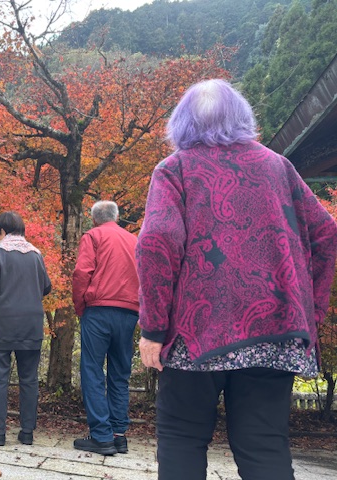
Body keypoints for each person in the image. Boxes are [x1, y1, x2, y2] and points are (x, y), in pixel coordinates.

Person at [136, 79, 337, 480]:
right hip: (275, 332)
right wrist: (309, 314)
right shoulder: (278, 166)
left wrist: (154, 329)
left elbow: (158, 239)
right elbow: (326, 232)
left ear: (182, 123)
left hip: (196, 332)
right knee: (265, 447)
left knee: (182, 439)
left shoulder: (175, 169)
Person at [0, 211, 52, 447]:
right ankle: (27, 432)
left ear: (2, 231)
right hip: (31, 324)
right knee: (29, 379)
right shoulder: (36, 254)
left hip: (4, 322)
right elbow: (47, 287)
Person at [72, 200, 140, 456]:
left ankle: (101, 435)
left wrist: (80, 306)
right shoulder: (134, 241)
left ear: (93, 219)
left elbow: (82, 273)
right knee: (120, 373)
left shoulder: (93, 236)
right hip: (129, 311)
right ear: (117, 217)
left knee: (92, 370)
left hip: (99, 310)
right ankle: (118, 435)